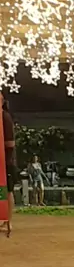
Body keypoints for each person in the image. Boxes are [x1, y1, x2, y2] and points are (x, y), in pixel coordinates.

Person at [1, 94, 16, 233]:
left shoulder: (5, 117)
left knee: (8, 190)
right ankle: (3, 218)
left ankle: (9, 221)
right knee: (1, 191)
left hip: (7, 161)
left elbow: (10, 143)